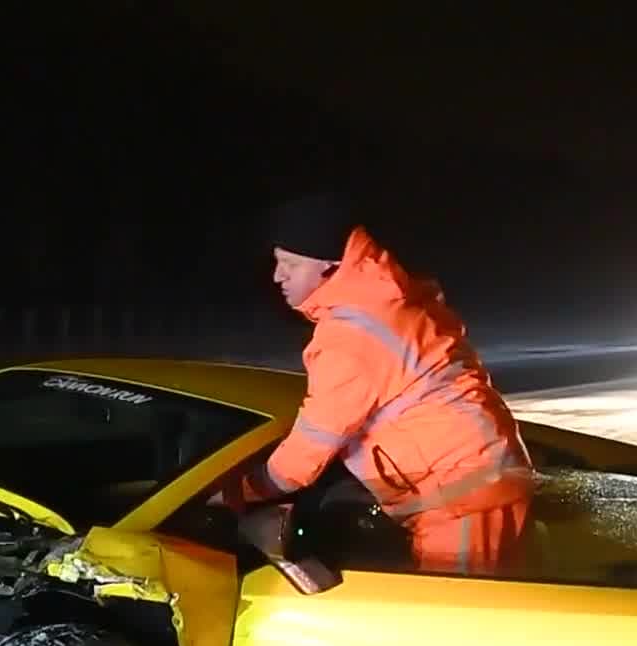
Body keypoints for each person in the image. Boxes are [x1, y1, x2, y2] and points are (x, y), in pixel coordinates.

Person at [215, 193, 535, 577]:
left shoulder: (351, 336)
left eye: (291, 264)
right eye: (277, 262)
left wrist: (236, 492)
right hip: (472, 483)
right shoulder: (379, 304)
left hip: (463, 493)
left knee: (459, 610)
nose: (277, 275)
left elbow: (306, 452)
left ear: (329, 264)